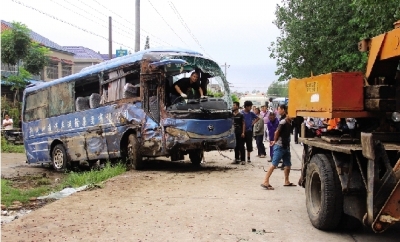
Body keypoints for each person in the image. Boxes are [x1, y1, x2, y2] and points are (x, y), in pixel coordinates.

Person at [261, 104, 295, 190]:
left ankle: (286, 181)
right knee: (274, 164)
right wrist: (274, 141)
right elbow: (277, 132)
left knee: (288, 164)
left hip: (285, 146)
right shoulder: (283, 121)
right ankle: (265, 181)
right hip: (279, 146)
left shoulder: (289, 122)